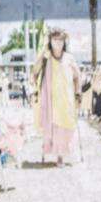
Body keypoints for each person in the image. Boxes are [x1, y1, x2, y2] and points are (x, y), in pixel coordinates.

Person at [32, 29, 80, 164]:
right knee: (54, 127)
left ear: (64, 42)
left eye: (60, 40)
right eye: (54, 40)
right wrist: (42, 56)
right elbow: (34, 72)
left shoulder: (69, 58)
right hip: (50, 100)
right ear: (50, 41)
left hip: (66, 100)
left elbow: (77, 77)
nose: (58, 43)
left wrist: (78, 93)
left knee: (66, 126)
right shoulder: (46, 57)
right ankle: (58, 155)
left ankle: (62, 153)